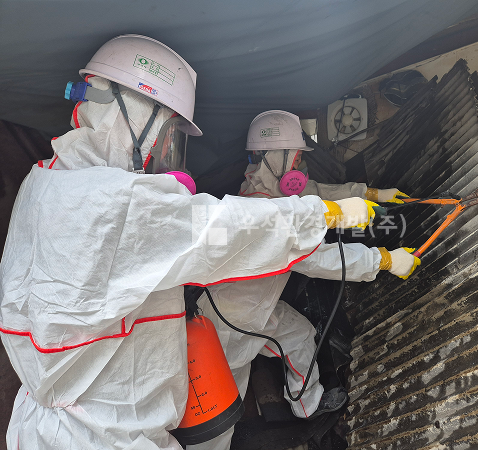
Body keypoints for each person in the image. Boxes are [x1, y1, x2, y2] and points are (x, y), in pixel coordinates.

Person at [0, 36, 376, 450]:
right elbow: (222, 230)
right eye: (167, 135)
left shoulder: (45, 182)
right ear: (135, 115)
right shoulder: (114, 201)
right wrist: (324, 215)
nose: (164, 153)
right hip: (105, 434)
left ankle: (304, 406)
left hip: (59, 422)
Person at [188, 110, 420, 450]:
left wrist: (369, 193)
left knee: (299, 335)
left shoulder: (268, 193)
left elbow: (315, 192)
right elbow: (321, 259)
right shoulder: (261, 213)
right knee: (219, 414)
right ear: (275, 159)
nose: (299, 166)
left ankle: (307, 406)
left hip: (259, 306)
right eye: (296, 158)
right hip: (230, 324)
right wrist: (384, 261)